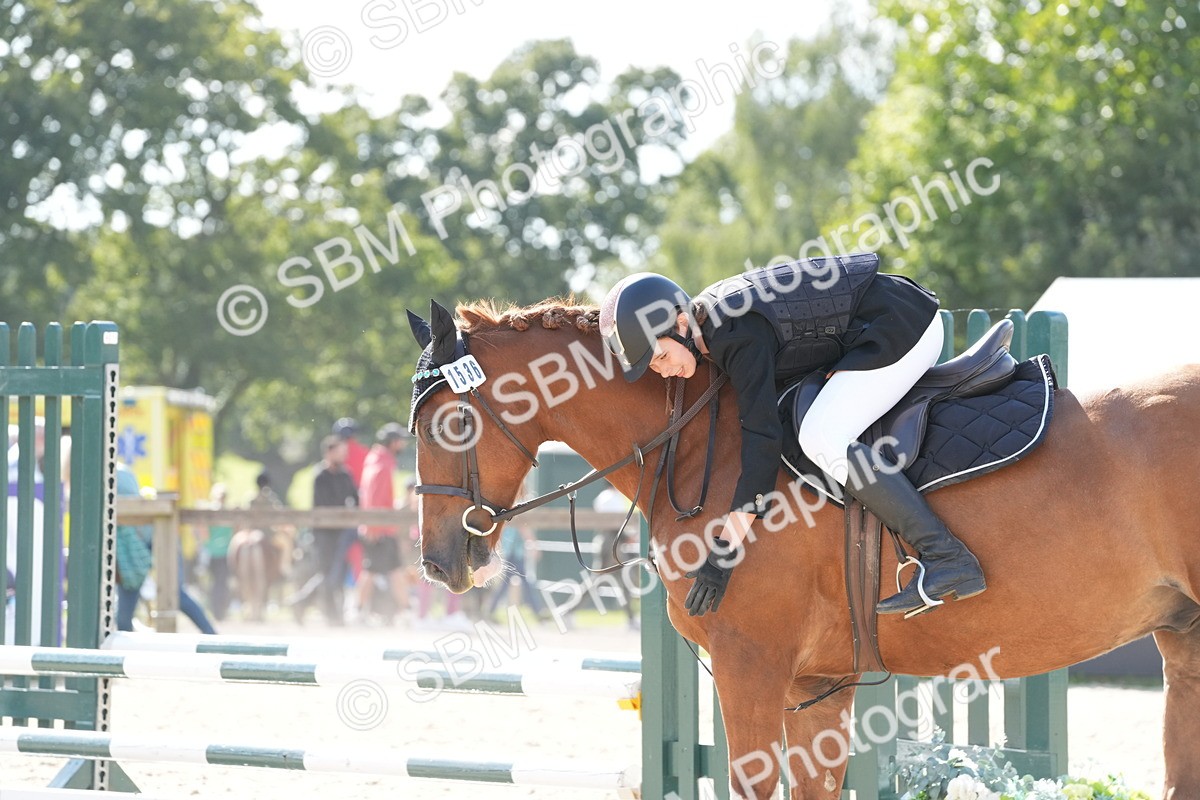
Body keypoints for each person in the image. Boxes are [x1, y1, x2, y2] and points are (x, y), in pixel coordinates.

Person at [598, 255, 986, 618]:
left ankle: (946, 556)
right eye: (654, 366)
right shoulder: (711, 322)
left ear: (680, 323)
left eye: (661, 358)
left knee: (822, 435)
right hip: (882, 323)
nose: (663, 372)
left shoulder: (735, 335)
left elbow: (761, 446)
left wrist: (724, 551)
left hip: (903, 328)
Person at [289, 436, 357, 625]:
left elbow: (355, 497)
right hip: (323, 532)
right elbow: (323, 503)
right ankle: (331, 615)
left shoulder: (345, 474)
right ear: (329, 452)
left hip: (340, 531)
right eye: (339, 452)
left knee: (336, 572)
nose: (343, 455)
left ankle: (303, 603)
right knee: (327, 572)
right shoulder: (320, 475)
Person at [355, 423, 412, 625]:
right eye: (400, 440)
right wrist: (375, 526)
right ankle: (404, 613)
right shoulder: (383, 462)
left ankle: (360, 611)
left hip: (376, 526)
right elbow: (376, 496)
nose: (403, 443)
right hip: (381, 528)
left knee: (375, 570)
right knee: (385, 571)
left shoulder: (375, 458)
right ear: (393, 442)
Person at [199, 483, 233, 621]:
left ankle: (214, 609)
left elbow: (203, 533)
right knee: (222, 582)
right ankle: (220, 610)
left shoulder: (208, 512)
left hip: (212, 551)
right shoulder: (230, 513)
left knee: (213, 582)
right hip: (225, 552)